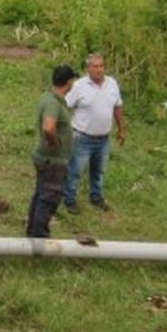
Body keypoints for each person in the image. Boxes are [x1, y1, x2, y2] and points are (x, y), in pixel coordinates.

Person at [64, 52, 127, 212]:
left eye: (101, 66)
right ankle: (69, 199)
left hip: (103, 138)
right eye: (95, 66)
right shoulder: (79, 86)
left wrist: (121, 129)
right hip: (82, 137)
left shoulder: (112, 83)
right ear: (88, 69)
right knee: (76, 170)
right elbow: (67, 105)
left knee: (98, 171)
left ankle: (96, 197)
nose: (99, 70)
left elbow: (117, 107)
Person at [27, 64, 78, 238]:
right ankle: (39, 238)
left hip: (46, 159)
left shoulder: (50, 97)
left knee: (41, 195)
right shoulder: (52, 103)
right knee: (49, 198)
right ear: (69, 82)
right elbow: (49, 128)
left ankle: (32, 234)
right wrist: (55, 142)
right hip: (52, 161)